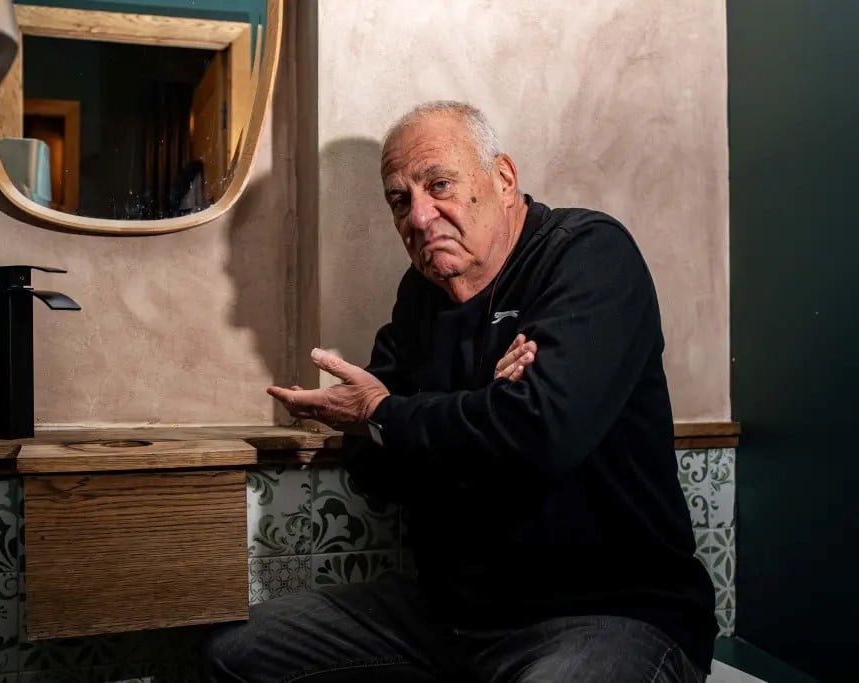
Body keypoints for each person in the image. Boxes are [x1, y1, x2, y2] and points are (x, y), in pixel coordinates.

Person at [199, 101, 717, 682]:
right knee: (237, 653)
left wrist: (397, 415)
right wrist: (483, 409)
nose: (420, 217)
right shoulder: (419, 295)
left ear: (503, 179)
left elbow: (543, 433)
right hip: (451, 616)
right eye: (400, 200)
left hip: (608, 613)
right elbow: (374, 469)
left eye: (439, 185)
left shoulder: (588, 253)